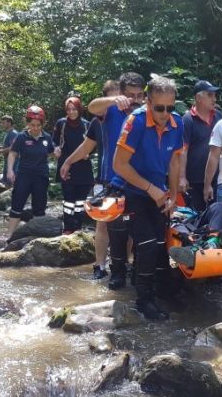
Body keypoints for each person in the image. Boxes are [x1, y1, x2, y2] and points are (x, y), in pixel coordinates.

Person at [112, 76, 183, 320]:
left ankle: (152, 286)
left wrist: (173, 196)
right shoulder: (136, 122)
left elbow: (175, 160)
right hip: (133, 191)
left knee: (160, 245)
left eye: (170, 108)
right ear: (148, 101)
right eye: (160, 108)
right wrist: (150, 188)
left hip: (159, 193)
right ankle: (144, 301)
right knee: (147, 244)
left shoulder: (177, 124)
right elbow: (119, 164)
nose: (165, 113)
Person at [88, 72, 146, 289]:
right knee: (108, 226)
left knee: (133, 228)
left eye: (140, 95)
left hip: (137, 180)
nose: (135, 99)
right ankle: (103, 267)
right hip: (110, 179)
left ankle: (126, 266)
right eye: (130, 95)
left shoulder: (145, 113)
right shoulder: (111, 109)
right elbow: (92, 107)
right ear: (122, 93)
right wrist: (113, 100)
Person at [61, 80, 121, 279]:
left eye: (118, 96)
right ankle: (100, 265)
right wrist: (68, 162)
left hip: (130, 179)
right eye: (110, 98)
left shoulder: (133, 117)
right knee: (102, 223)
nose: (115, 102)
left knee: (129, 225)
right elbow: (86, 148)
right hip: (105, 180)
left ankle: (124, 263)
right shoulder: (98, 121)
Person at [6, 106, 55, 238]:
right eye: (32, 125)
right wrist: (10, 171)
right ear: (28, 123)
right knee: (17, 204)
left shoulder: (47, 138)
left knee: (39, 207)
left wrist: (59, 152)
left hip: (41, 176)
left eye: (38, 125)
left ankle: (37, 236)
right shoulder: (21, 137)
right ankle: (10, 235)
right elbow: (12, 154)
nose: (35, 128)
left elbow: (52, 153)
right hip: (24, 176)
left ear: (42, 124)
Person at [180, 80, 222, 210]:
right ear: (198, 97)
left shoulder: (219, 116)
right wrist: (182, 177)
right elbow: (183, 150)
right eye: (210, 95)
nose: (214, 99)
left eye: (215, 95)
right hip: (194, 180)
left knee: (217, 215)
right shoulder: (188, 120)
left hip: (217, 178)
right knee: (196, 218)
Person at [53, 97, 93, 234]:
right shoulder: (61, 124)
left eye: (74, 109)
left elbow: (94, 144)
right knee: (68, 197)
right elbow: (55, 141)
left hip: (83, 166)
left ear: (79, 109)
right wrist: (56, 149)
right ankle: (68, 226)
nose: (71, 112)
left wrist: (90, 153)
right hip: (66, 165)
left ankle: (78, 225)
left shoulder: (87, 125)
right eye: (69, 109)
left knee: (81, 200)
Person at [0, 115, 19, 187]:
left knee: (11, 181)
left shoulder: (13, 133)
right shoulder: (8, 133)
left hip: (13, 161)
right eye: (1, 123)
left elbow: (13, 148)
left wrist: (0, 151)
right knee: (6, 181)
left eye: (3, 123)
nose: (1, 124)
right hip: (7, 160)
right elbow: (9, 146)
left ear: (9, 123)